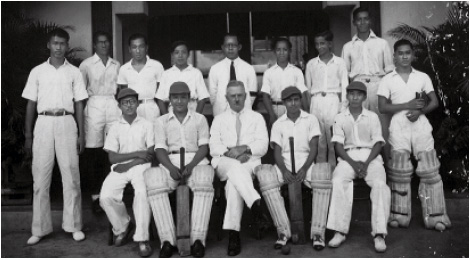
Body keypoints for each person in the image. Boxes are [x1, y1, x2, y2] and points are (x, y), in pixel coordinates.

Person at [22, 28, 88, 245]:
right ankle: (39, 229)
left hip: (67, 122)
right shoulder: (37, 72)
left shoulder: (75, 72)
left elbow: (79, 103)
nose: (59, 47)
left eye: (62, 43)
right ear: (48, 45)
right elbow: (31, 103)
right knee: (40, 178)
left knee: (71, 175)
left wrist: (81, 133)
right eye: (55, 43)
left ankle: (74, 226)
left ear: (67, 46)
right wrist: (28, 136)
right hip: (43, 123)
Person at [377, 39, 451, 231]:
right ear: (394, 56)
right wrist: (407, 105)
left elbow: (434, 101)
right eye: (400, 53)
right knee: (399, 169)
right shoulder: (387, 79)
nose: (404, 56)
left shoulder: (422, 76)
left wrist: (420, 111)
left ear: (413, 55)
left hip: (420, 124)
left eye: (407, 52)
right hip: (399, 125)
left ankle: (436, 217)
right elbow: (382, 107)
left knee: (429, 168)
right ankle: (399, 215)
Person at [255, 86, 331, 251]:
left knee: (323, 175)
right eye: (289, 100)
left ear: (300, 100)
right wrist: (284, 171)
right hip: (285, 162)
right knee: (266, 177)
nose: (294, 103)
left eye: (296, 99)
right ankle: (283, 231)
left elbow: (314, 148)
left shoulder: (311, 119)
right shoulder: (278, 123)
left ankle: (318, 233)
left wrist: (304, 168)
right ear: (284, 103)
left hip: (306, 161)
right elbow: (276, 152)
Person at [144, 82, 214, 258]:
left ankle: (198, 240)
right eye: (175, 97)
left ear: (189, 98)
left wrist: (191, 166)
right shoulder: (161, 121)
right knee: (153, 180)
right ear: (170, 99)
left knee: (204, 179)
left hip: (196, 161)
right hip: (171, 161)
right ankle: (167, 241)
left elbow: (204, 147)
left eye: (183, 97)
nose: (180, 101)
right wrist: (170, 167)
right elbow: (160, 149)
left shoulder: (200, 118)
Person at [326, 81, 391, 253]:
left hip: (371, 157)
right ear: (347, 96)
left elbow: (378, 142)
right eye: (351, 93)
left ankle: (379, 234)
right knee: (338, 180)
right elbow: (338, 146)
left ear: (364, 97)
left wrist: (367, 163)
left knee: (379, 185)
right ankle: (339, 231)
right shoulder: (340, 117)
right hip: (348, 158)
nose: (355, 97)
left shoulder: (372, 116)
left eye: (359, 94)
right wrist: (354, 164)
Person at [209, 80, 268, 256]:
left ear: (245, 96)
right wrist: (233, 154)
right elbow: (214, 147)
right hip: (224, 163)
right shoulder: (219, 119)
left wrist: (245, 149)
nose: (236, 99)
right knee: (235, 168)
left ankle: (234, 235)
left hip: (249, 162)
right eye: (232, 96)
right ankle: (256, 207)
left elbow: (263, 145)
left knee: (233, 185)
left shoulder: (256, 117)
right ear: (226, 98)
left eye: (240, 95)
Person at [99, 88, 154, 257]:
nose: (129, 105)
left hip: (141, 166)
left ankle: (142, 238)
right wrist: (137, 153)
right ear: (119, 106)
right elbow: (112, 158)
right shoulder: (115, 127)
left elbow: (150, 154)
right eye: (125, 102)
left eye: (132, 101)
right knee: (106, 196)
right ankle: (123, 226)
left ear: (137, 103)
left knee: (142, 193)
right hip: (120, 167)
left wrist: (131, 162)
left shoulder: (147, 124)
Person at [341, 7, 394, 162]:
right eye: (359, 19)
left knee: (383, 129)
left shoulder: (382, 43)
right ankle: (363, 166)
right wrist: (346, 98)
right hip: (357, 87)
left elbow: (389, 71)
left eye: (365, 19)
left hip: (379, 86)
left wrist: (389, 95)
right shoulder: (348, 46)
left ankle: (389, 168)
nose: (362, 22)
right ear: (354, 22)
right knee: (360, 127)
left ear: (370, 20)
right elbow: (345, 75)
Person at [79, 31, 121, 213]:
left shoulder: (116, 64)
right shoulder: (86, 65)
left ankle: (111, 193)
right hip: (94, 104)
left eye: (106, 42)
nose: (104, 45)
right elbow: (80, 93)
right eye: (100, 42)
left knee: (112, 148)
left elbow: (120, 88)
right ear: (94, 45)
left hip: (112, 104)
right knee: (94, 150)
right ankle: (95, 196)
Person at [305, 30, 349, 167]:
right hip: (316, 101)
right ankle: (320, 171)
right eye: (317, 44)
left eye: (322, 43)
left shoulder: (340, 62)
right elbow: (307, 88)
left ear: (330, 44)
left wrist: (343, 108)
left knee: (333, 138)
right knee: (319, 139)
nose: (319, 47)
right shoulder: (311, 64)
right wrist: (308, 109)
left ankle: (334, 169)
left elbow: (344, 86)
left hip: (333, 100)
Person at [261, 38, 309, 126]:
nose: (281, 53)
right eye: (278, 50)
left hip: (293, 107)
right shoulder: (269, 72)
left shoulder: (296, 71)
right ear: (274, 51)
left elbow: (302, 93)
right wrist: (271, 115)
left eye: (285, 50)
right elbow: (265, 96)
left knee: (293, 136)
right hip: (275, 108)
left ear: (290, 51)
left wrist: (306, 113)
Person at [117, 33, 164, 123]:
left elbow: (161, 94)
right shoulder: (124, 69)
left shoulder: (156, 66)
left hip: (151, 107)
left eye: (141, 47)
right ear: (129, 49)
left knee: (153, 135)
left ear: (146, 48)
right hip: (132, 108)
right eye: (134, 47)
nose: (138, 51)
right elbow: (124, 94)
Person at [208, 34, 257, 116]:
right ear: (222, 47)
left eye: (233, 45)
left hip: (244, 112)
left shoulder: (248, 68)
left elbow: (252, 93)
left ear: (239, 47)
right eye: (227, 45)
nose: (230, 48)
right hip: (221, 112)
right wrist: (221, 106)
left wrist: (242, 106)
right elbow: (212, 95)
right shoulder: (215, 69)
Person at [155, 41, 210, 115]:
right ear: (172, 55)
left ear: (188, 54)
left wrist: (196, 117)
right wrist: (166, 117)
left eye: (183, 52)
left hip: (192, 110)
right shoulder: (166, 74)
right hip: (172, 112)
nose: (180, 55)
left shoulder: (196, 73)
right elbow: (160, 98)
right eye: (177, 53)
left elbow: (203, 98)